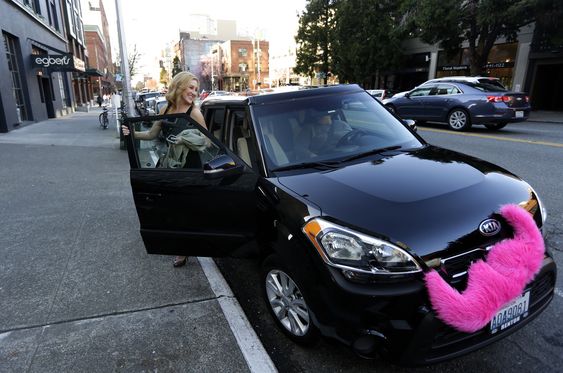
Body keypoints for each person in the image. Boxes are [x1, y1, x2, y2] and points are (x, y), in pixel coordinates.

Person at [122, 71, 206, 268]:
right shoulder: (166, 109)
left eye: (196, 89)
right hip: (170, 166)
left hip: (190, 167)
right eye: (190, 88)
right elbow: (152, 134)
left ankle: (184, 249)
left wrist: (187, 139)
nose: (194, 92)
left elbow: (208, 140)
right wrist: (131, 133)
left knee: (186, 210)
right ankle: (181, 246)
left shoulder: (194, 112)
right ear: (179, 86)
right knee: (171, 209)